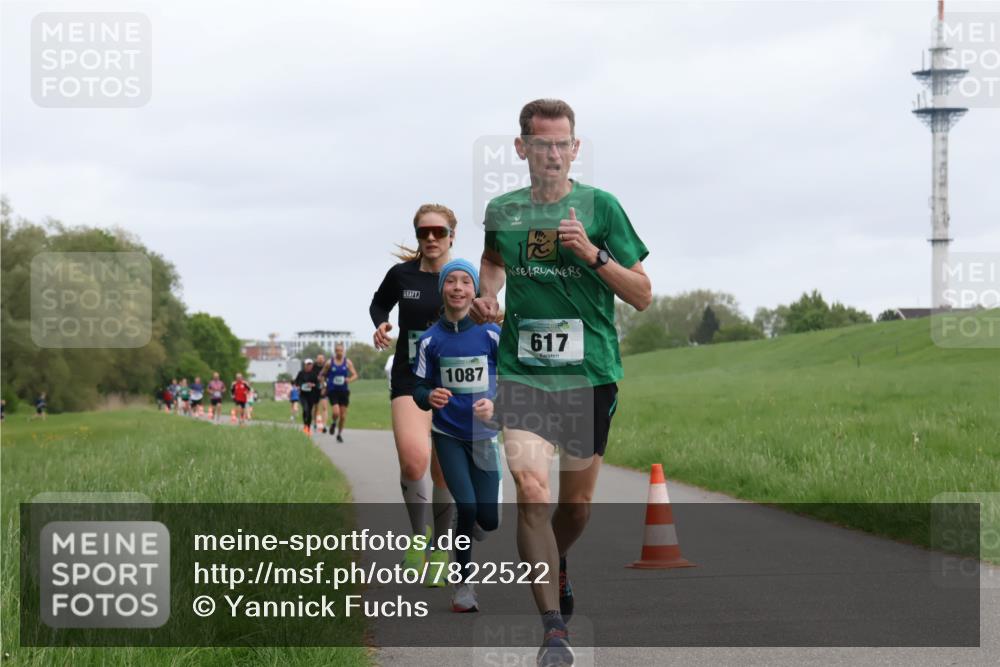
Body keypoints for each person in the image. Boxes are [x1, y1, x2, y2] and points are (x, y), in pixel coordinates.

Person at [471, 99, 651, 667]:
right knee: (531, 490)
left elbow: (643, 294)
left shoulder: (602, 209)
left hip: (589, 373)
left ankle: (557, 558)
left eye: (563, 143)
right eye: (541, 143)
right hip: (524, 374)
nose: (552, 154)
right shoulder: (503, 209)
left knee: (575, 509)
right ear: (521, 148)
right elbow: (493, 262)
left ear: (575, 148)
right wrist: (490, 295)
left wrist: (594, 255)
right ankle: (554, 631)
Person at [370, 203, 458, 575]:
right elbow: (378, 302)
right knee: (413, 460)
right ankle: (417, 534)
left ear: (452, 235)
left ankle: (441, 547)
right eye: (425, 232)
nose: (432, 238)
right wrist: (382, 324)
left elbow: (484, 311)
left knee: (444, 473)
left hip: (453, 381)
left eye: (439, 231)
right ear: (418, 236)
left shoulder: (460, 276)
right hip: (410, 378)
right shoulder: (401, 275)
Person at [413, 259, 502, 612]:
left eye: (466, 281)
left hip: (483, 435)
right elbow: (418, 387)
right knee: (465, 506)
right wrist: (428, 396)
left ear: (475, 290)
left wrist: (495, 405)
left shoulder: (491, 334)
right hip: (447, 433)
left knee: (489, 520)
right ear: (443, 291)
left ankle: (473, 521)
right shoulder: (429, 340)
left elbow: (510, 379)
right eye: (451, 281)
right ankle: (464, 585)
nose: (458, 287)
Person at [319, 342, 358, 442]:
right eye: (337, 351)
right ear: (335, 351)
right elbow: (321, 375)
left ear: (343, 351)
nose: (339, 352)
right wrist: (324, 386)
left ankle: (339, 434)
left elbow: (355, 375)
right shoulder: (329, 363)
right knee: (336, 412)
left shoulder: (347, 362)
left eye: (341, 350)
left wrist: (349, 379)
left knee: (343, 416)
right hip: (333, 390)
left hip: (344, 391)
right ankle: (333, 422)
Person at [292, 359, 322, 434]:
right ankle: (305, 425)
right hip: (303, 395)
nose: (309, 366)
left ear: (312, 365)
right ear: (305, 365)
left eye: (310, 364)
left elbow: (318, 384)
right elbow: (296, 382)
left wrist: (313, 385)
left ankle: (307, 427)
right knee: (305, 409)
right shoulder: (301, 373)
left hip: (311, 395)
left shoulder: (314, 374)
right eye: (307, 364)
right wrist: (299, 386)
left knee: (309, 411)